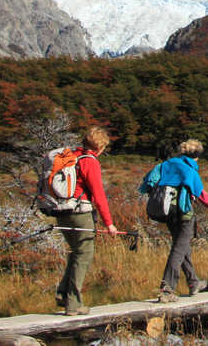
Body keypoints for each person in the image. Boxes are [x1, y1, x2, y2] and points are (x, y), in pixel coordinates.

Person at [139, 139, 208, 303]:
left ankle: (194, 282)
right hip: (184, 214)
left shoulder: (165, 165)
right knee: (179, 249)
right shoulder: (190, 170)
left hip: (167, 212)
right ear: (197, 156)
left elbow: (147, 183)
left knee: (182, 246)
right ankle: (167, 289)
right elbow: (203, 196)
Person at [56, 126, 120, 316]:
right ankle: (73, 304)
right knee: (84, 254)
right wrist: (109, 223)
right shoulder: (89, 162)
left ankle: (63, 294)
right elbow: (99, 196)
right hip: (80, 212)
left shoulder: (71, 157)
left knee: (76, 252)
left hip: (61, 211)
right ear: (100, 147)